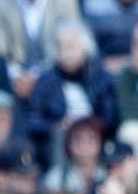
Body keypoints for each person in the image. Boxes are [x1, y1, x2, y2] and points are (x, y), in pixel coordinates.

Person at [25, 21, 118, 166]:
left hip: (95, 134)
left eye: (70, 46)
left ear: (85, 48)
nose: (64, 53)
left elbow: (110, 118)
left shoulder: (102, 78)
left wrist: (87, 124)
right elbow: (33, 121)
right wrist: (57, 126)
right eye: (59, 47)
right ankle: (58, 183)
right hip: (60, 138)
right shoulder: (45, 82)